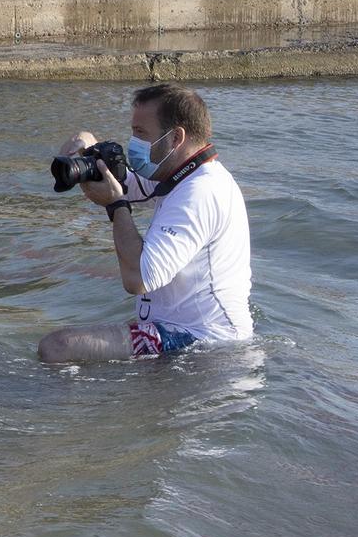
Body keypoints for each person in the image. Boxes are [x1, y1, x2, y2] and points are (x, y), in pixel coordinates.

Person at [38, 83, 253, 363]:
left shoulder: (200, 192)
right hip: (178, 331)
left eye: (141, 133)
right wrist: (88, 148)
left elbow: (138, 280)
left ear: (176, 137)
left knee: (57, 347)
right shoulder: (182, 174)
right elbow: (125, 183)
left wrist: (115, 206)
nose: (134, 142)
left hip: (206, 343)